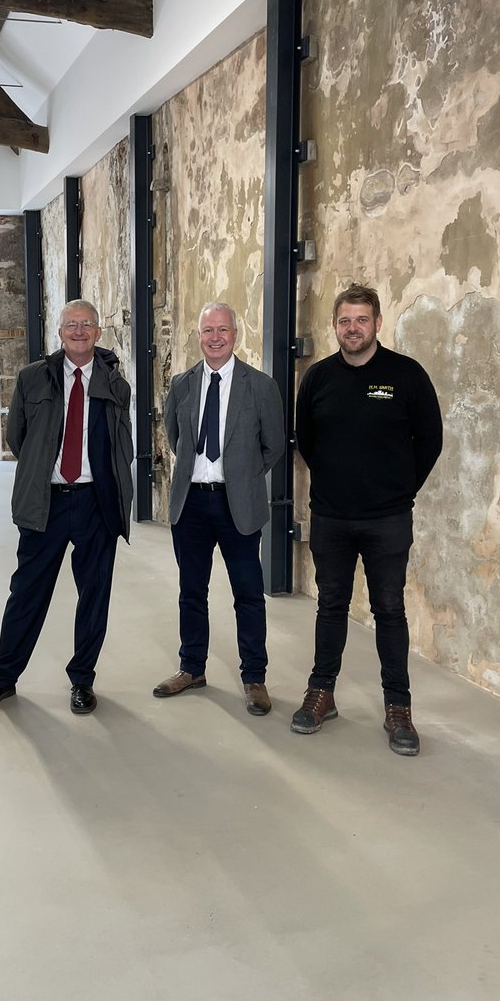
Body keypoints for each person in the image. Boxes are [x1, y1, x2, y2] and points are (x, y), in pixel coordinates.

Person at [293, 283, 442, 756]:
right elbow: (307, 442)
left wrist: (397, 490)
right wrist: (341, 485)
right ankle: (322, 693)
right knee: (330, 606)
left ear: (378, 323)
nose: (352, 328)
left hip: (387, 521)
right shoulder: (317, 378)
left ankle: (398, 706)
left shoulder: (407, 375)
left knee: (389, 610)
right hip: (332, 518)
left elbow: (430, 441)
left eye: (361, 320)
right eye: (344, 321)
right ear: (335, 326)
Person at [0, 300, 133, 716]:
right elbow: (18, 438)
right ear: (59, 332)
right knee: (27, 591)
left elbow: (122, 445)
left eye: (87, 325)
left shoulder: (116, 383)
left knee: (94, 595)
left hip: (97, 503)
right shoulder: (32, 378)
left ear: (98, 333)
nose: (79, 331)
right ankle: (2, 679)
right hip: (47, 502)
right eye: (71, 325)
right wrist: (50, 471)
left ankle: (82, 680)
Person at [153, 302, 285, 715]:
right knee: (192, 591)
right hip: (190, 503)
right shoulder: (182, 384)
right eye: (207, 330)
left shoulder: (260, 386)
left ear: (235, 334)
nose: (215, 337)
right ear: (199, 336)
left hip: (238, 504)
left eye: (222, 330)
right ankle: (191, 667)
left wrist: (241, 477)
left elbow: (273, 446)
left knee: (248, 594)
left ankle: (254, 678)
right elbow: (175, 437)